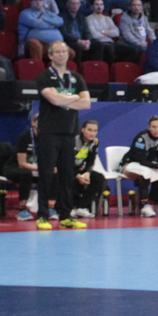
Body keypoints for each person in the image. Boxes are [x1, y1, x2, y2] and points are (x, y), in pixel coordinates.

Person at [32, 41, 91, 229]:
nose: (61, 55)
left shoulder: (76, 78)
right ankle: (42, 215)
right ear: (50, 55)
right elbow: (53, 98)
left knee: (67, 176)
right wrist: (74, 98)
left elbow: (86, 103)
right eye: (57, 52)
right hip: (49, 132)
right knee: (46, 175)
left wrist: (64, 101)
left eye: (64, 51)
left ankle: (66, 215)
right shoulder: (44, 76)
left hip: (69, 131)